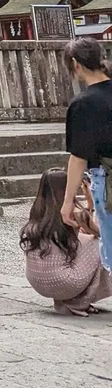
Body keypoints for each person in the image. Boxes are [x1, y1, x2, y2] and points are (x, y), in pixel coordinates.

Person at [21, 167, 112, 316]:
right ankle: (77, 302)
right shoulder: (73, 211)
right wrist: (91, 198)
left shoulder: (38, 211)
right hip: (64, 282)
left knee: (84, 241)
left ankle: (66, 301)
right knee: (100, 244)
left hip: (37, 280)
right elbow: (101, 233)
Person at [60, 38, 112, 276]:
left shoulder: (83, 104)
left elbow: (78, 157)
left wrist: (68, 200)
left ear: (75, 64)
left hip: (107, 179)